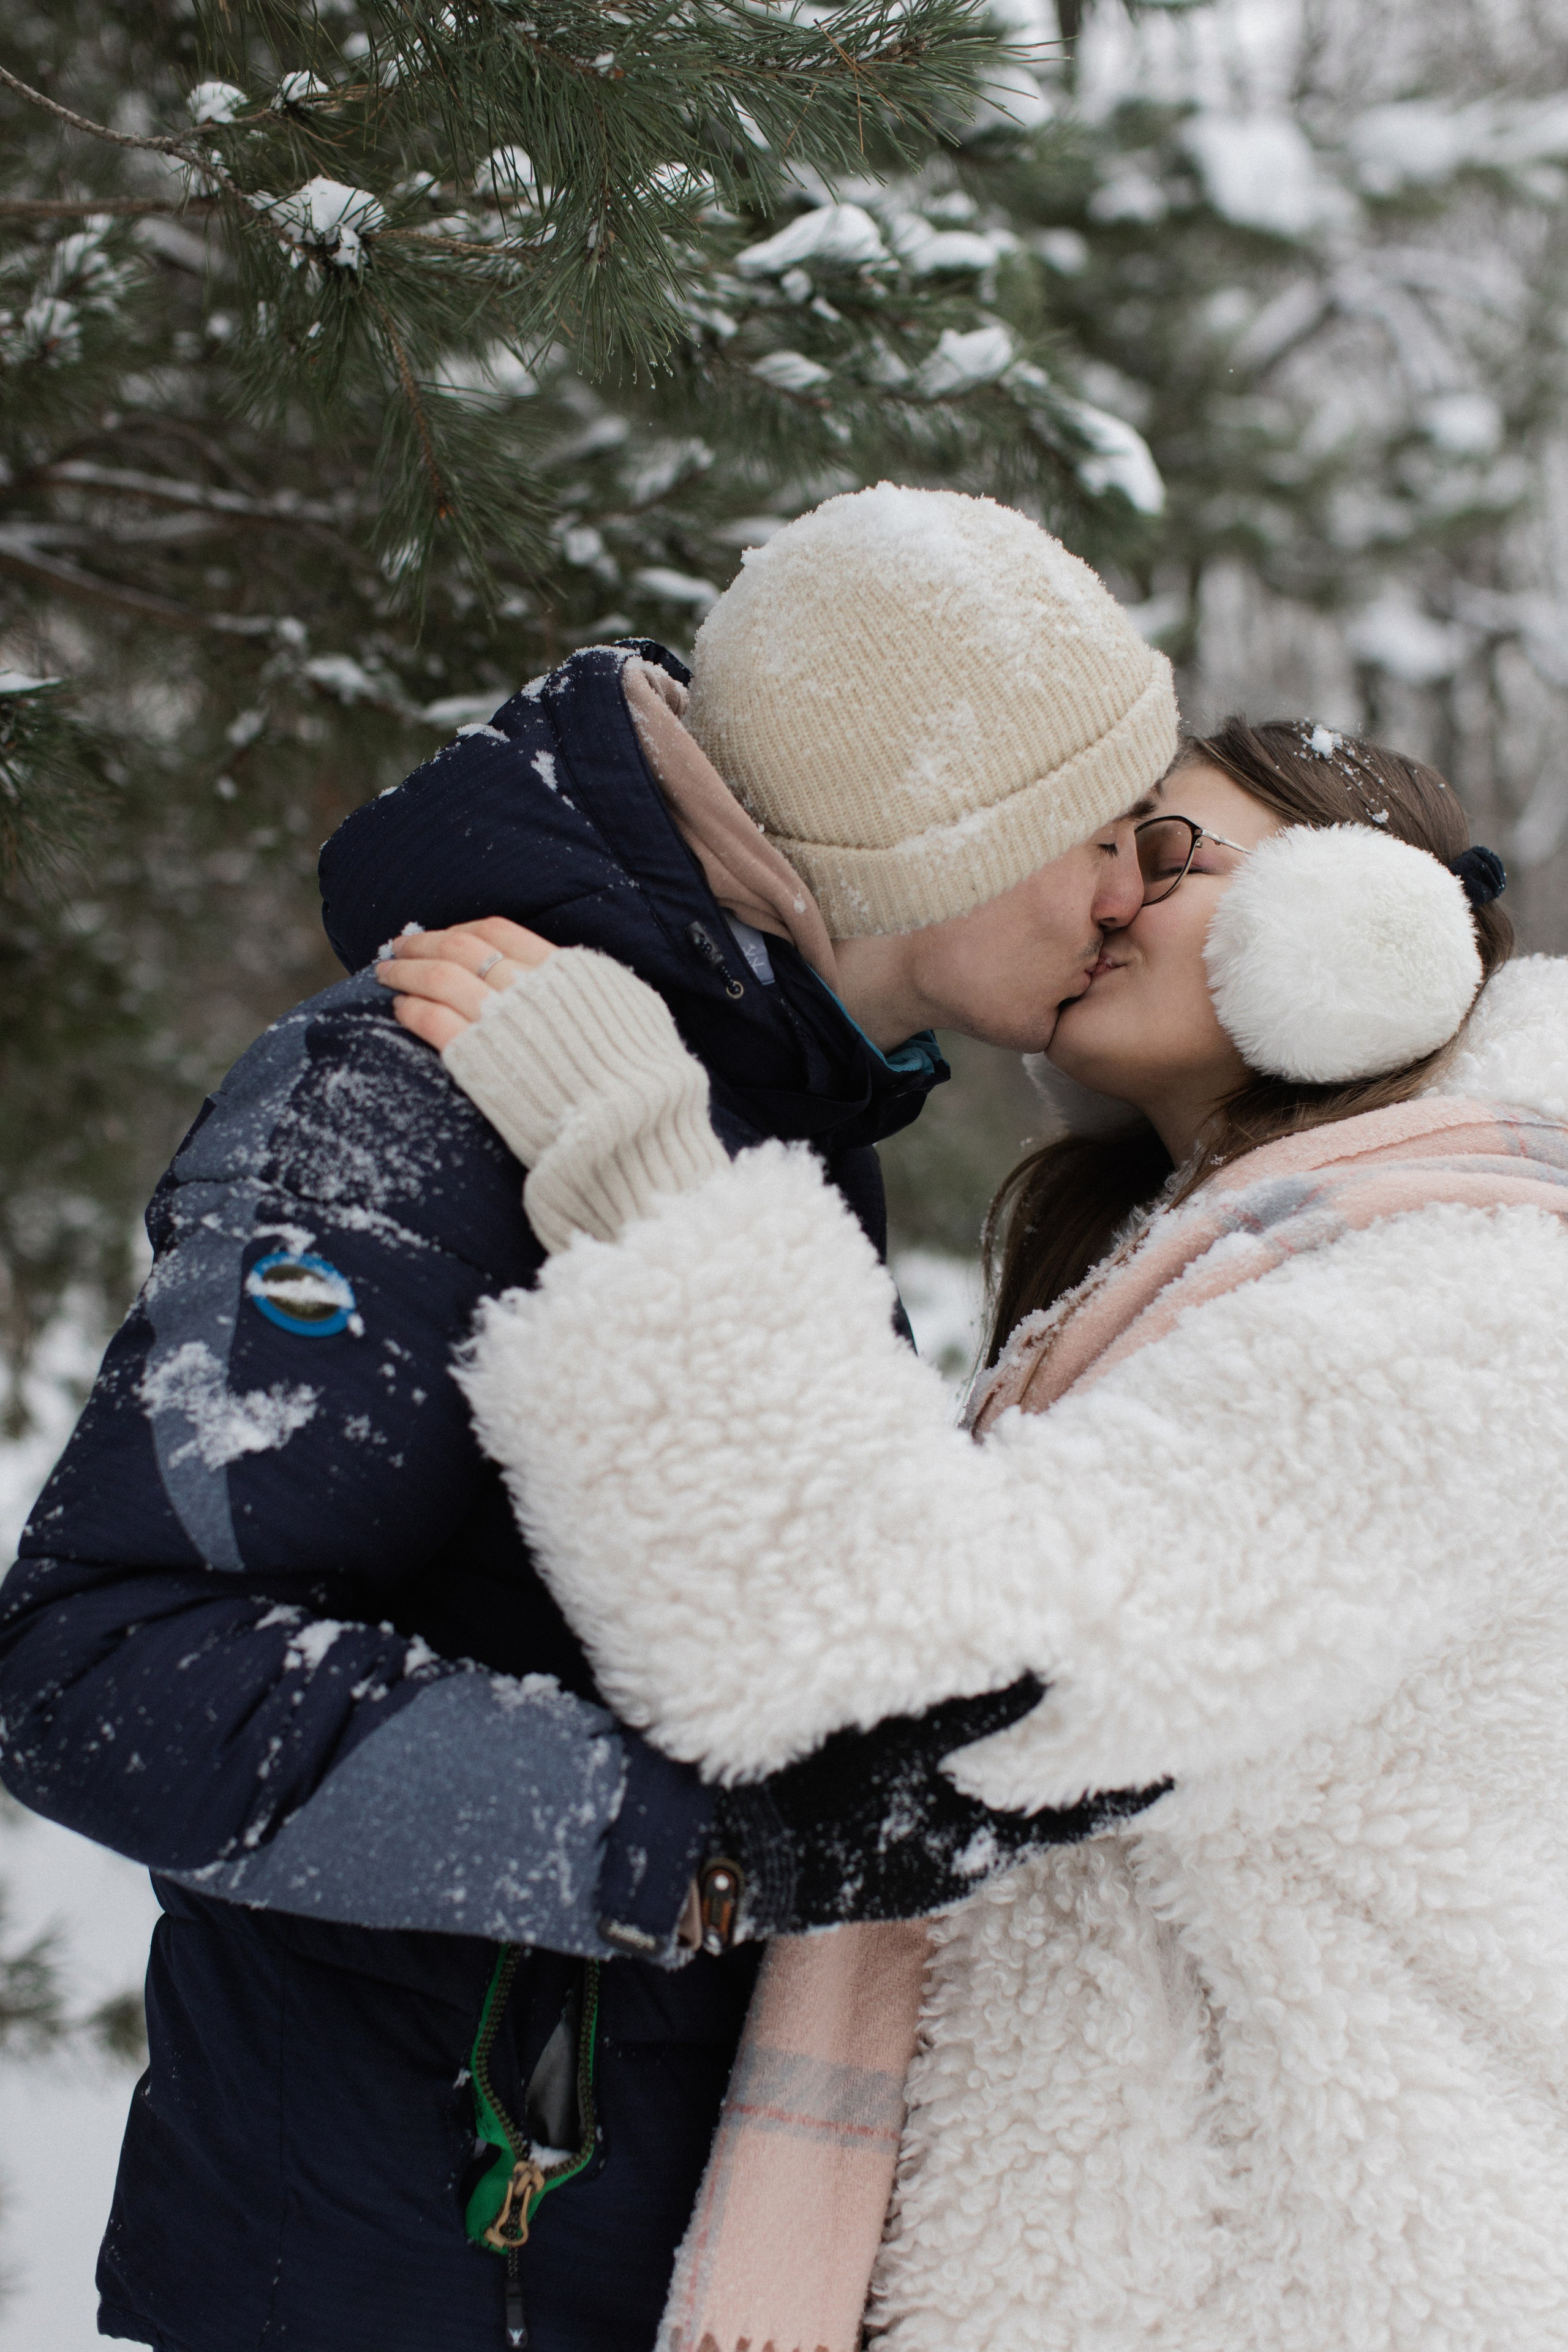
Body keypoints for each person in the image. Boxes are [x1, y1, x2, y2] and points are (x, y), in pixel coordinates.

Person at [0, 486, 1179, 2352]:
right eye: (1105, 831)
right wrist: (685, 1841)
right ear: (953, 826)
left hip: (621, 2243)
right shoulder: (411, 1094)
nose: (1135, 894)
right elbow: (106, 1664)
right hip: (405, 2263)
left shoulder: (751, 1107)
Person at [382, 717, 1568, 2352]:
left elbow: (927, 1654)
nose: (1101, 894)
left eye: (1164, 850)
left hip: (1323, 2270)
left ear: (1359, 916)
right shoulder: (1256, 1258)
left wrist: (641, 1160)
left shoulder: (1476, 1297)